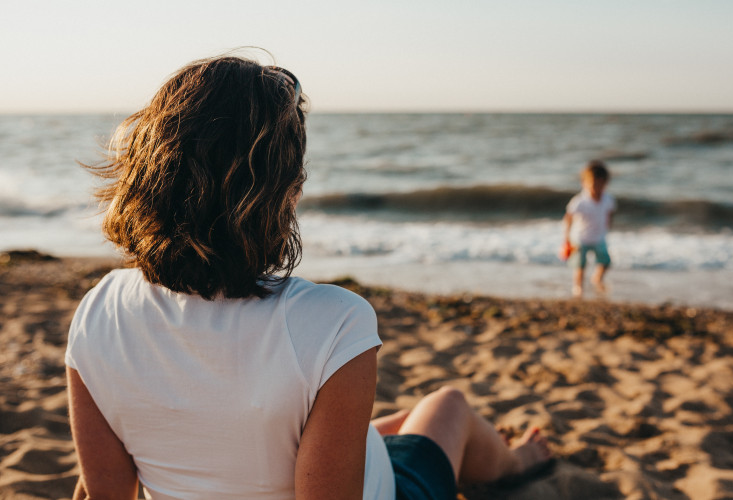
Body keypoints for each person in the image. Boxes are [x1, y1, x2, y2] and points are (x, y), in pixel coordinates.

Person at [66, 52, 551, 500]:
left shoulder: (97, 313)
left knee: (391, 425)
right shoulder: (335, 323)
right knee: (448, 407)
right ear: (285, 193)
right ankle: (522, 463)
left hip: (270, 454)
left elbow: (106, 492)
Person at [563, 160, 616, 298]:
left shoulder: (608, 199)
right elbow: (568, 218)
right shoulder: (579, 201)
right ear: (584, 183)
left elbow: (609, 213)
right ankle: (578, 287)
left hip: (599, 237)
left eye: (600, 184)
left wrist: (607, 226)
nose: (596, 188)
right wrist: (566, 238)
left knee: (606, 261)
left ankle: (597, 278)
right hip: (580, 238)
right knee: (580, 265)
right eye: (593, 184)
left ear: (605, 184)